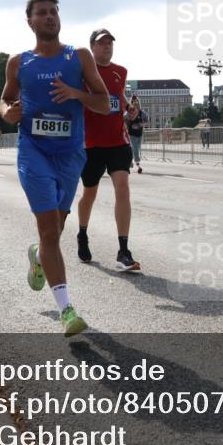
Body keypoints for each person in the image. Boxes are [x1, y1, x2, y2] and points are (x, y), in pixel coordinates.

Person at [0, 0, 110, 337]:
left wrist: (76, 94)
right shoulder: (18, 63)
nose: (49, 17)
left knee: (55, 231)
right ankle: (67, 311)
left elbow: (105, 104)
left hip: (71, 153)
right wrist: (8, 113)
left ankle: (36, 256)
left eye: (53, 12)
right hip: (33, 151)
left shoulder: (78, 57)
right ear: (30, 21)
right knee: (49, 230)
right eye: (42, 13)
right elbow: (5, 100)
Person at [76, 28, 141, 271]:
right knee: (89, 194)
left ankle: (123, 250)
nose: (107, 47)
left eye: (110, 43)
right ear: (92, 47)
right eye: (102, 43)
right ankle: (82, 234)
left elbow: (120, 100)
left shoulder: (120, 72)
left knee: (122, 189)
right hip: (91, 144)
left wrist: (129, 110)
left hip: (117, 141)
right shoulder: (81, 73)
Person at [125, 97, 148, 174]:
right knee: (135, 149)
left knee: (135, 148)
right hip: (132, 134)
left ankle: (128, 161)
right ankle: (138, 163)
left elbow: (147, 121)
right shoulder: (128, 114)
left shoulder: (142, 113)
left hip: (139, 134)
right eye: (134, 104)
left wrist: (143, 124)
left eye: (137, 103)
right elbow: (123, 119)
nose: (135, 105)